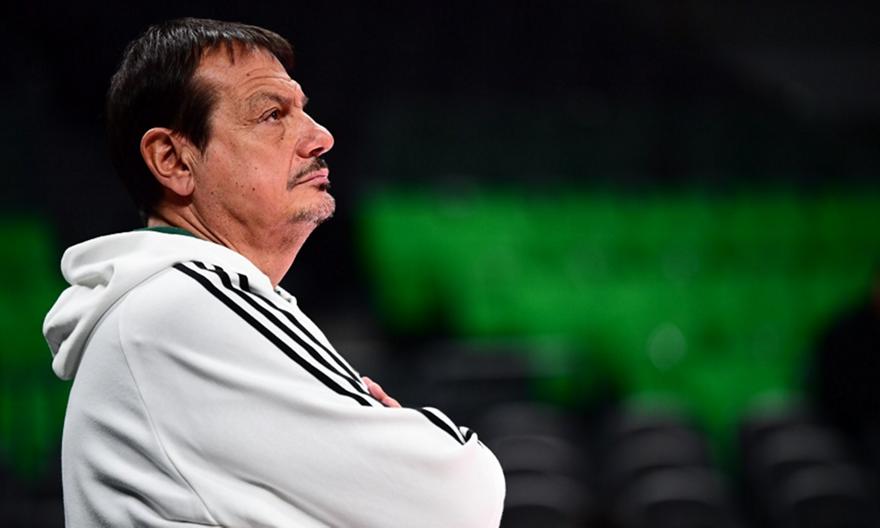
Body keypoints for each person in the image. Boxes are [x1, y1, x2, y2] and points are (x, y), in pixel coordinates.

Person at [43, 18, 505, 527]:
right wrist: (415, 436)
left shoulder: (171, 305)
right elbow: (460, 493)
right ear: (174, 160)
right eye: (271, 115)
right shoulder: (187, 306)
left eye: (303, 110)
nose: (320, 136)